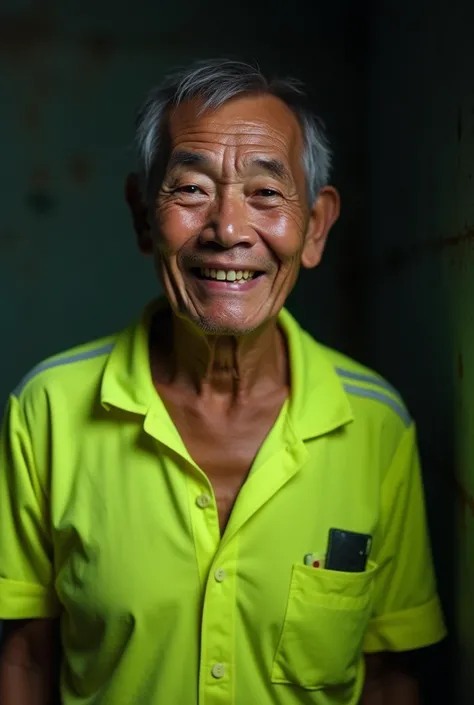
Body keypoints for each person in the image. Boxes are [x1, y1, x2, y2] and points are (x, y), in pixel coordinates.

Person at [0, 59, 446, 705]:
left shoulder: (375, 420)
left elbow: (388, 671)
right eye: (190, 190)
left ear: (316, 225)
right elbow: (26, 655)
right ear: (141, 216)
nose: (229, 230)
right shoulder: (49, 405)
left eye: (266, 193)